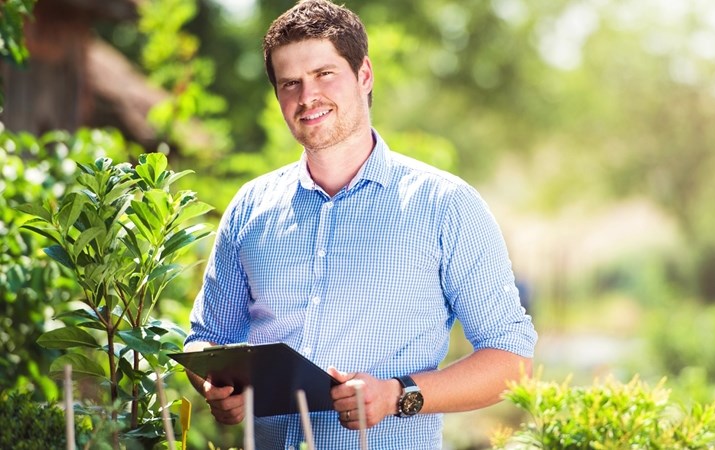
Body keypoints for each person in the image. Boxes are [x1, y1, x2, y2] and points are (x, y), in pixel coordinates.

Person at [183, 0, 538, 448]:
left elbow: (511, 358)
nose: (307, 96)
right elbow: (206, 339)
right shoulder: (250, 208)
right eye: (290, 83)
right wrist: (217, 387)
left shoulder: (445, 206)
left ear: (364, 75)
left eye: (323, 74)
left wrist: (398, 395)